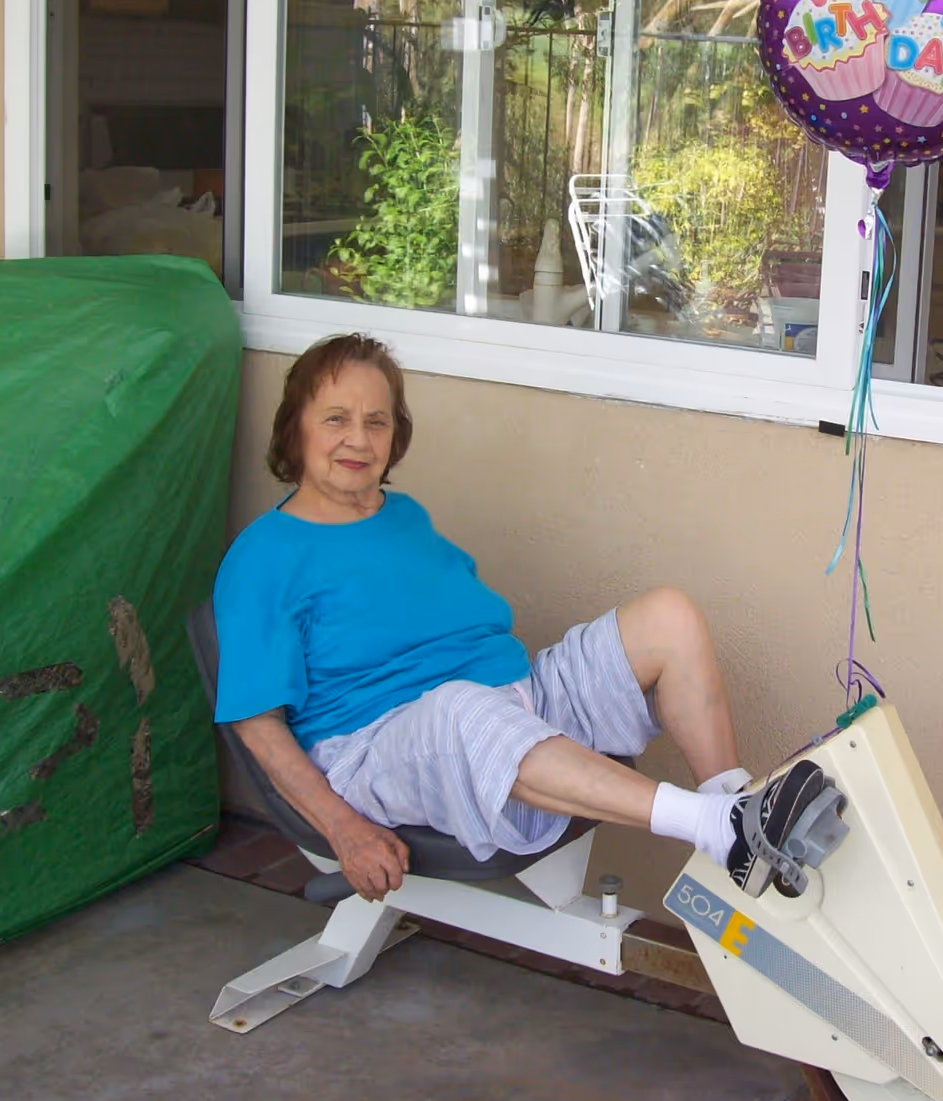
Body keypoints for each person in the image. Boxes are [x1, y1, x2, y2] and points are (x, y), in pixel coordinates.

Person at [213, 333, 832, 902]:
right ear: (295, 429)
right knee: (461, 707)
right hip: (378, 750)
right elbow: (257, 725)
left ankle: (740, 818)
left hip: (508, 702)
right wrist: (343, 830)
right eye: (335, 419)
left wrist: (509, 700)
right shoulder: (263, 558)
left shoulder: (401, 516)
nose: (359, 439)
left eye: (376, 421)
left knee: (667, 616)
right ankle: (715, 826)